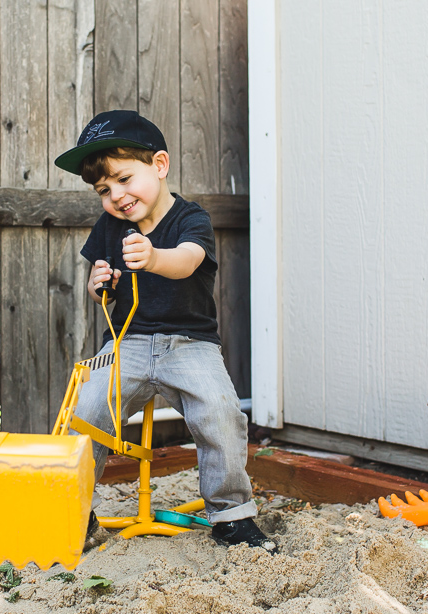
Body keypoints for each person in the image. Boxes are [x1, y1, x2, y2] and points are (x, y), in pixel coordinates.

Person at [54, 110, 275, 552]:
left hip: (189, 343)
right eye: (103, 189)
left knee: (220, 411)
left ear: (159, 165)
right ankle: (71, 511)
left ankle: (231, 515)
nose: (116, 196)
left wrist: (154, 257)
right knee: (85, 410)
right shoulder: (110, 227)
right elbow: (108, 292)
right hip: (125, 342)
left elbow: (188, 260)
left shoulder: (191, 219)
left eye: (123, 179)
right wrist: (103, 284)